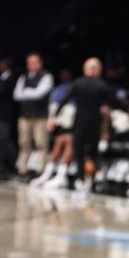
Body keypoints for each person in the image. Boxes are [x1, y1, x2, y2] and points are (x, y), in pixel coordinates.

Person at [51, 57, 116, 195]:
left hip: (80, 121)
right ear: (97, 70)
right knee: (93, 152)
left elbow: (65, 100)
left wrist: (55, 115)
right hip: (95, 122)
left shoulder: (78, 83)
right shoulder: (102, 85)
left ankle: (81, 178)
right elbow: (115, 101)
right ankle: (97, 175)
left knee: (79, 151)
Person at [31, 69, 75, 188]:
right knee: (59, 141)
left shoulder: (73, 88)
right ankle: (47, 173)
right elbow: (53, 105)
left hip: (73, 119)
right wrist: (52, 118)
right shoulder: (57, 89)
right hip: (59, 117)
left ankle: (61, 175)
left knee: (69, 140)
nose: (63, 75)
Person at [13, 52, 53, 178]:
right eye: (30, 63)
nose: (32, 65)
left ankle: (40, 171)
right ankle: (22, 170)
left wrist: (26, 92)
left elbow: (39, 94)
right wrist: (28, 93)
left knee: (41, 143)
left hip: (40, 116)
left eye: (35, 62)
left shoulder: (46, 76)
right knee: (23, 143)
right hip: (25, 116)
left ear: (41, 63)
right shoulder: (23, 77)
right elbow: (16, 95)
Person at [0, 58, 17, 181]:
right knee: (1, 142)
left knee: (3, 142)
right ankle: (2, 166)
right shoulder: (1, 80)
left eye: (1, 65)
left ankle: (6, 167)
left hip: (4, 116)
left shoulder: (10, 79)